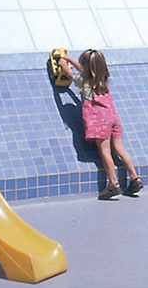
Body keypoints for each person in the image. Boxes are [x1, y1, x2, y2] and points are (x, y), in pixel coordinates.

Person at [58, 48, 143, 200]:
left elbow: (69, 74)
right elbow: (84, 70)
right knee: (120, 148)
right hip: (113, 117)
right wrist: (70, 59)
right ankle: (134, 177)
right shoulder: (103, 78)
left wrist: (63, 62)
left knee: (105, 152)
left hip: (99, 120)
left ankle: (113, 184)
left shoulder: (83, 82)